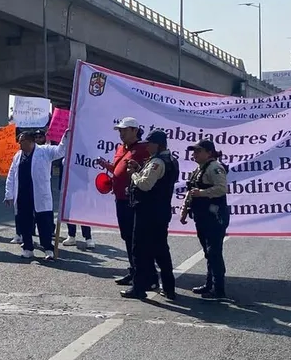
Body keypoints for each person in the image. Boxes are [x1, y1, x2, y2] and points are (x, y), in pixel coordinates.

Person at [121, 130, 179, 300]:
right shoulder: (170, 160)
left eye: (150, 143)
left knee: (139, 249)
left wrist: (133, 174)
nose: (147, 146)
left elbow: (145, 185)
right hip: (161, 211)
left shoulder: (157, 162)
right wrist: (140, 169)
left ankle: (139, 287)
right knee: (161, 250)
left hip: (148, 211)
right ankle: (169, 288)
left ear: (158, 144)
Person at [95, 116, 150, 286]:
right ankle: (134, 271)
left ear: (135, 130)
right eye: (120, 130)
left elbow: (144, 173)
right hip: (120, 198)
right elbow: (119, 170)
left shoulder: (143, 149)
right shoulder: (121, 148)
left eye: (124, 130)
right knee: (127, 237)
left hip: (133, 200)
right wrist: (107, 166)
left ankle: (143, 274)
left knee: (136, 238)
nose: (121, 133)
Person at [4, 129, 67, 261]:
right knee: (25, 223)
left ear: (31, 142)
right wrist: (9, 194)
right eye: (19, 142)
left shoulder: (45, 151)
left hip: (40, 194)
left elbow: (60, 151)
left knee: (44, 223)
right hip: (22, 195)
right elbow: (11, 175)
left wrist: (65, 137)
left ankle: (48, 249)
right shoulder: (18, 155)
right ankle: (28, 248)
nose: (19, 144)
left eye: (22, 141)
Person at [181, 139, 230, 301]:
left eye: (198, 151)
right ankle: (209, 284)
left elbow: (222, 189)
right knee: (208, 252)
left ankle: (219, 289)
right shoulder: (199, 169)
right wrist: (184, 209)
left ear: (208, 153)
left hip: (215, 217)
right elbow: (191, 190)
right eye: (193, 151)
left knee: (214, 252)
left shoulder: (215, 168)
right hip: (202, 216)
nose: (194, 154)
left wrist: (201, 193)